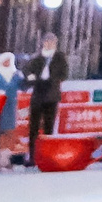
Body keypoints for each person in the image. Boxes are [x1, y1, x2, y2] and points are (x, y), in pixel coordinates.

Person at [26, 33, 68, 163]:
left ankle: (47, 155)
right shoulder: (37, 58)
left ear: (55, 43)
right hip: (38, 94)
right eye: (46, 41)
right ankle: (33, 156)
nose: (48, 44)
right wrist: (32, 78)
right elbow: (27, 71)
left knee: (49, 127)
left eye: (51, 42)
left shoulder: (60, 58)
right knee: (33, 127)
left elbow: (64, 74)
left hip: (51, 95)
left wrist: (53, 80)